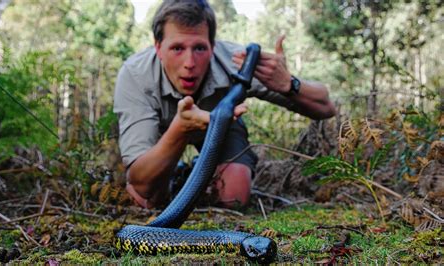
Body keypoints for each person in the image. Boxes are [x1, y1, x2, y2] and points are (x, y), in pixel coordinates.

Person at [114, 0, 336, 209]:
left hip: (223, 125)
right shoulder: (135, 75)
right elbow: (140, 182)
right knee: (148, 198)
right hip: (163, 138)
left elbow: (326, 107)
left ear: (212, 46)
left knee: (235, 197)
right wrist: (181, 128)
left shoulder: (237, 63)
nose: (189, 63)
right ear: (158, 47)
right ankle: (183, 177)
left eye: (200, 48)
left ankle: (201, 177)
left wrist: (289, 84)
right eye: (177, 48)